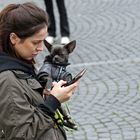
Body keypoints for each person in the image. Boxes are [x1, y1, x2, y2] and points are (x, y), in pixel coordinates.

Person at [0, 2, 79, 140]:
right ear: (14, 38)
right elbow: (21, 135)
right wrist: (53, 102)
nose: (41, 48)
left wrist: (44, 88)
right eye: (36, 42)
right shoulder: (8, 80)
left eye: (42, 41)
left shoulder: (22, 63)